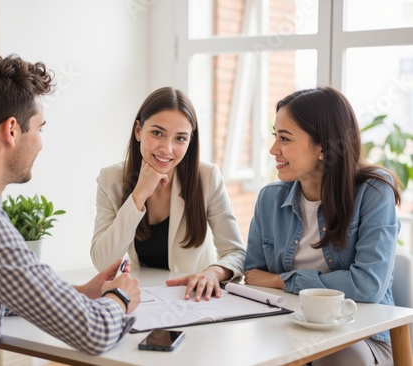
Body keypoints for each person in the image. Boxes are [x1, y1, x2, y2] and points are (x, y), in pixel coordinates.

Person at [0, 52, 141, 365]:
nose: (41, 142)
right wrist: (120, 296)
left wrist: (80, 292)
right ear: (11, 130)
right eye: (39, 128)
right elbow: (95, 331)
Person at [244, 86, 401, 365]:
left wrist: (282, 280)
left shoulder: (373, 192)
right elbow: (254, 277)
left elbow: (367, 286)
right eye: (274, 136)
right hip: (290, 329)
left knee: (337, 358)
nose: (273, 149)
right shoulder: (270, 198)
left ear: (323, 147)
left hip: (361, 337)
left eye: (285, 139)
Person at [90, 86, 245, 302]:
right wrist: (139, 195)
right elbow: (103, 262)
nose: (167, 148)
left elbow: (236, 253)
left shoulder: (207, 177)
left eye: (180, 138)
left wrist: (212, 273)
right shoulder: (111, 179)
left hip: (193, 299)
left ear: (190, 141)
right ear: (138, 131)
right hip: (141, 298)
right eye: (157, 133)